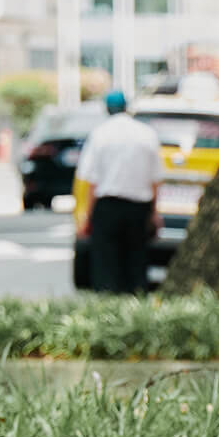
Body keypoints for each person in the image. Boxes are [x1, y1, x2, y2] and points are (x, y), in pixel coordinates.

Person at [74, 89, 163, 294]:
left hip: (108, 206)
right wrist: (155, 212)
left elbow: (91, 179)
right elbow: (156, 179)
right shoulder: (146, 134)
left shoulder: (100, 134)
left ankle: (109, 305)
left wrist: (87, 215)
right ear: (126, 107)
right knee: (136, 259)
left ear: (107, 109)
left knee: (106, 262)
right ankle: (136, 301)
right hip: (139, 207)